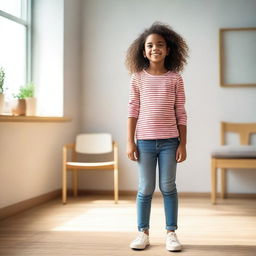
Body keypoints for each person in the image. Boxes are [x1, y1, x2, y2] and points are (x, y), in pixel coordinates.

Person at [125, 22, 189, 252]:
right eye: (150, 45)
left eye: (160, 45)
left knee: (168, 186)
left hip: (170, 142)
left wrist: (183, 143)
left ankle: (171, 232)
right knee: (145, 188)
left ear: (168, 50)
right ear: (143, 51)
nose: (155, 48)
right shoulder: (137, 78)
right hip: (144, 142)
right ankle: (142, 232)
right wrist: (130, 141)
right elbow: (132, 110)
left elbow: (181, 112)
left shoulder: (175, 79)